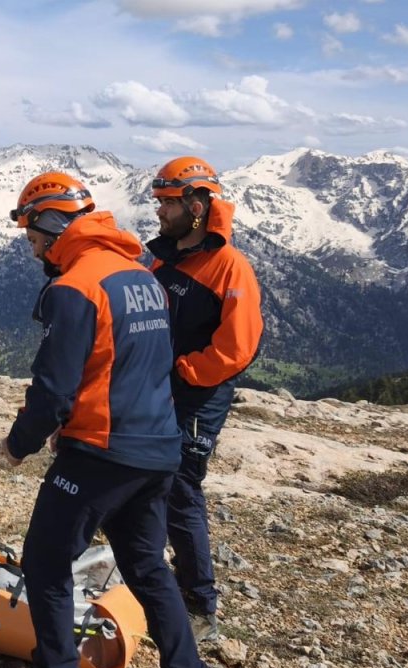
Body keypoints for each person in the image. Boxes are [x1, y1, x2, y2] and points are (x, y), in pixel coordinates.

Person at [0, 172, 209, 668]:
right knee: (147, 568)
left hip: (100, 452)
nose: (31, 245)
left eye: (32, 232)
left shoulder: (74, 287)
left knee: (45, 564)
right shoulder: (140, 275)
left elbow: (54, 391)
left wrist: (18, 443)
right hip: (157, 449)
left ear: (51, 221)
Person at [147, 157, 263, 643]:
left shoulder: (228, 265)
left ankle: (199, 602)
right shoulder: (162, 258)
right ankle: (157, 583)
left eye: (167, 204)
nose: (159, 213)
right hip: (157, 391)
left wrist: (187, 372)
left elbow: (239, 345)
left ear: (195, 205)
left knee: (180, 491)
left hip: (197, 397)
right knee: (146, 482)